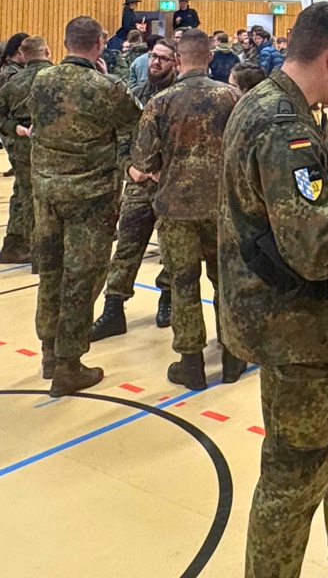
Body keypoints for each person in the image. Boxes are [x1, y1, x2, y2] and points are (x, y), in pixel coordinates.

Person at [218, 2, 328, 578]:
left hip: (312, 324)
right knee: (296, 472)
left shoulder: (274, 105)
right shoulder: (281, 126)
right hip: (295, 328)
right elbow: (315, 252)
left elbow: (293, 204)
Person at [30, 17, 144, 395]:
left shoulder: (41, 79)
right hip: (90, 197)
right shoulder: (106, 87)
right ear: (99, 43)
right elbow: (136, 122)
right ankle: (69, 364)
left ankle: (49, 351)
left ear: (64, 43)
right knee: (83, 278)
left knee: (51, 272)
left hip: (47, 192)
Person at [131, 29, 241, 390]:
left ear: (178, 60)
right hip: (223, 211)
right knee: (225, 284)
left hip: (176, 209)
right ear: (210, 59)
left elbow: (144, 158)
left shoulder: (160, 102)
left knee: (183, 284)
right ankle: (231, 356)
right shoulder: (232, 98)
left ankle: (191, 362)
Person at [90, 40, 178, 341]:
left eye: (163, 59)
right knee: (127, 246)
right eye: (153, 57)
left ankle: (167, 299)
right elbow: (119, 139)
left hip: (170, 185)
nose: (156, 63)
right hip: (138, 184)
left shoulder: (180, 98)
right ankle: (114, 306)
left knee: (171, 250)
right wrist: (129, 167)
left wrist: (165, 170)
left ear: (176, 63)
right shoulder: (135, 96)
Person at [0, 36, 52, 264]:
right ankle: (40, 253)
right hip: (56, 146)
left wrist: (15, 128)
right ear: (48, 51)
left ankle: (16, 245)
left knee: (24, 195)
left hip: (21, 145)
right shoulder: (58, 78)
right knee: (46, 199)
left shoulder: (13, 82)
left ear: (23, 55)